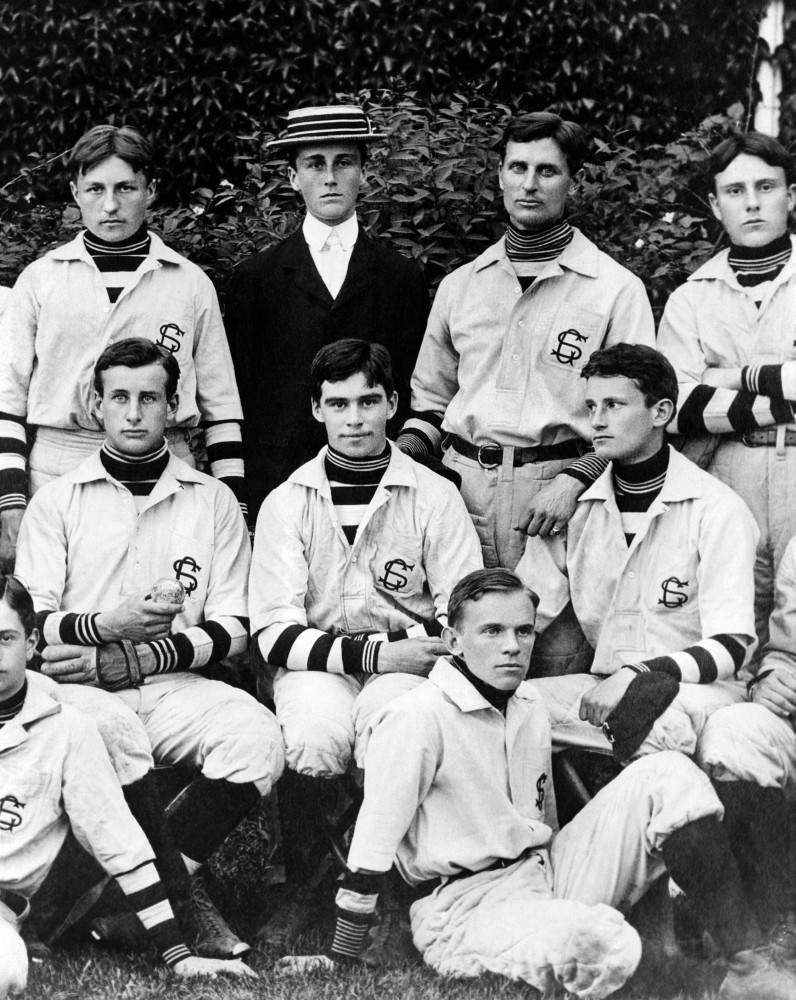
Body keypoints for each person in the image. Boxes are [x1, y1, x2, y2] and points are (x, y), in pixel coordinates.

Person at [279, 569, 795, 1000]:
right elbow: (370, 846)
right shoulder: (416, 717)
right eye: (492, 632)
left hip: (546, 869)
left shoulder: (527, 706)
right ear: (453, 641)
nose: (512, 647)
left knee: (668, 774)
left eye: (524, 632)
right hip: (464, 907)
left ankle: (745, 967)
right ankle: (650, 955)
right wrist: (339, 956)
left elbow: (554, 810)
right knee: (595, 945)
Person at [13, 338, 284, 958]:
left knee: (258, 739)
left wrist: (136, 656)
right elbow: (37, 625)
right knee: (112, 737)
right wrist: (110, 623)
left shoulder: (211, 499)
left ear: (174, 406)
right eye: (120, 398)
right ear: (95, 405)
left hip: (173, 686)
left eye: (150, 398)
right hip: (79, 692)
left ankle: (130, 901)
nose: (134, 412)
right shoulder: (56, 500)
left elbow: (233, 628)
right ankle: (174, 908)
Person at [249, 338, 482, 947]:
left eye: (368, 402)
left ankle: (383, 893)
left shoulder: (436, 495)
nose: (354, 419)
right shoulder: (287, 501)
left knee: (398, 733)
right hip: (329, 663)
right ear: (316, 409)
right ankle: (306, 885)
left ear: (393, 405)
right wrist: (378, 652)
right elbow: (274, 632)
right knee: (314, 740)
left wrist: (398, 656)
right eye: (338, 403)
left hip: (409, 667)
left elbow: (462, 616)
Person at [397, 112, 655, 574]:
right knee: (464, 633)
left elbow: (634, 413)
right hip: (462, 490)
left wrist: (576, 480)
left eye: (547, 171)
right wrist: (408, 462)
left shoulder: (615, 288)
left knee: (556, 645)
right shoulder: (461, 285)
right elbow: (431, 402)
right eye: (517, 168)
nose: (529, 184)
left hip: (560, 495)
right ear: (500, 176)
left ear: (572, 181)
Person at [0, 123, 246, 573]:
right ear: (75, 192)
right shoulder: (40, 279)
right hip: (60, 466)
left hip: (165, 470)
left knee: (163, 605)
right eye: (95, 189)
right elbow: (7, 399)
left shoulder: (189, 282)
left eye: (125, 188)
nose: (110, 205)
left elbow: (222, 406)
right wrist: (11, 500)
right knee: (59, 609)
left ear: (150, 190)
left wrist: (238, 510)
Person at [0, 574, 255, 999]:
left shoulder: (66, 729)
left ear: (30, 645)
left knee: (7, 974)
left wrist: (178, 955)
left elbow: (119, 842)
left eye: (4, 638)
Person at [515, 344, 758, 761]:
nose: (596, 421)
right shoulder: (576, 508)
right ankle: (540, 827)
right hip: (602, 684)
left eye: (614, 405)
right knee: (511, 711)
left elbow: (731, 648)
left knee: (649, 718)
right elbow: (523, 609)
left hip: (697, 692)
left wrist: (638, 675)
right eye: (591, 406)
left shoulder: (718, 509)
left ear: (660, 412)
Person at [224, 104, 429, 520]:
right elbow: (238, 395)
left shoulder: (401, 278)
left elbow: (412, 385)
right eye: (315, 164)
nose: (331, 177)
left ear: (364, 172)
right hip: (280, 484)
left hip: (379, 483)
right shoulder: (253, 280)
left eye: (344, 162)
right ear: (292, 176)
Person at [657, 131, 796, 646]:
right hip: (724, 469)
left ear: (792, 195)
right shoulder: (692, 298)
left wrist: (732, 378)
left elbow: (705, 394)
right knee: (735, 614)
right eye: (735, 191)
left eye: (767, 186)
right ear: (716, 205)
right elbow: (676, 408)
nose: (753, 202)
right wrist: (785, 391)